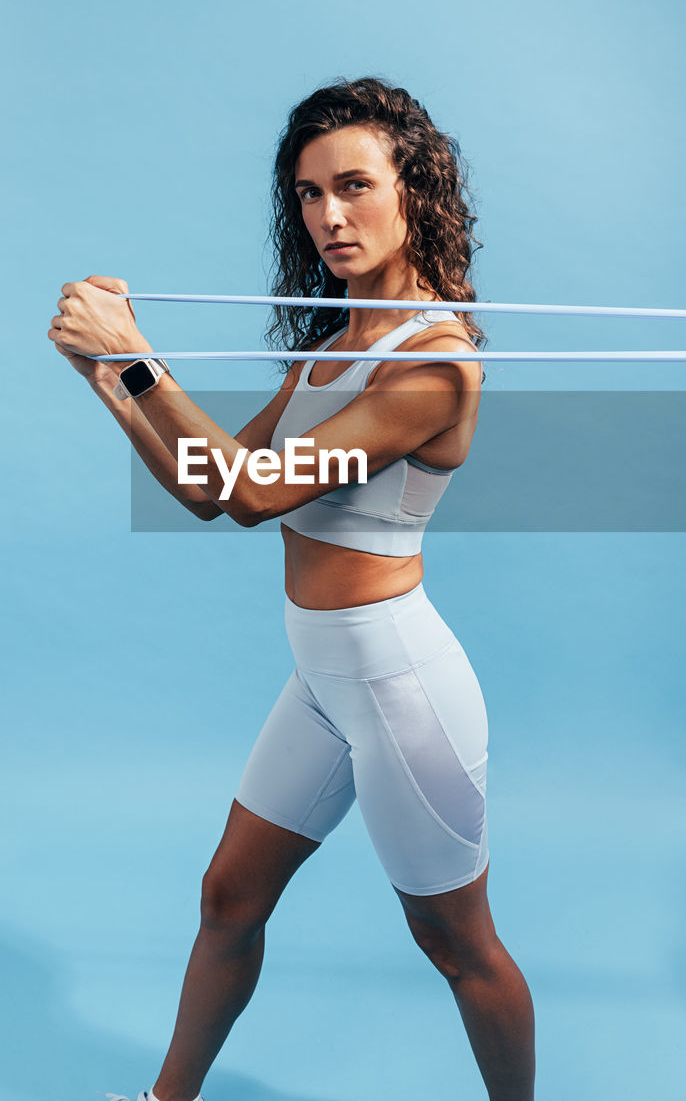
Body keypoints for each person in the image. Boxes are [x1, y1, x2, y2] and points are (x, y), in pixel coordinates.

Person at [48, 76, 536, 1101]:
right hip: (321, 679)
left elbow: (256, 492)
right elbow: (203, 487)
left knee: (457, 943)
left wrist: (137, 358)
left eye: (353, 185)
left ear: (413, 191)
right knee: (228, 894)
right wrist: (110, 381)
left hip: (399, 682)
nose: (327, 215)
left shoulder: (437, 366)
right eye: (308, 194)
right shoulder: (327, 352)